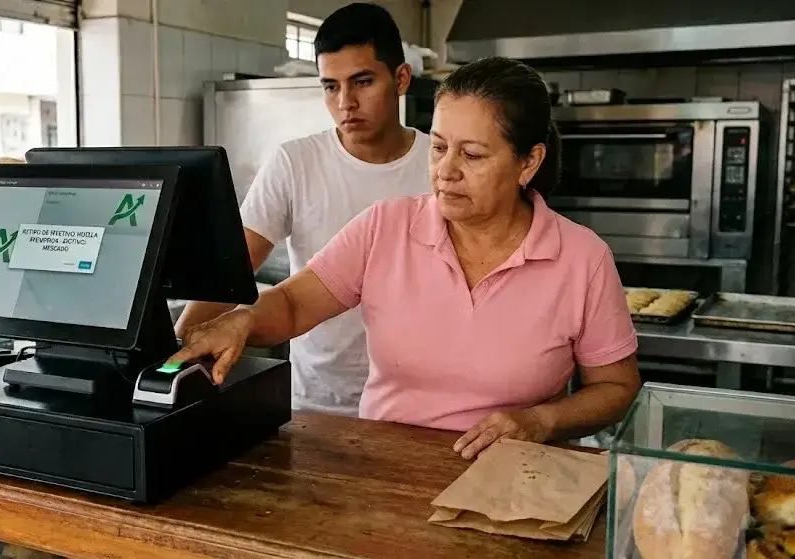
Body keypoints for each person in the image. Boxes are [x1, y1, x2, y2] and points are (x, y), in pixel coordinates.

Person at [169, 57, 642, 460]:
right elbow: (295, 304)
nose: (446, 172)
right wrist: (244, 320)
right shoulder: (386, 227)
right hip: (386, 473)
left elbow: (616, 389)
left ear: (528, 162)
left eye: (472, 155)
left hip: (517, 478)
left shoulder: (582, 258)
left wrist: (540, 421)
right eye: (438, 148)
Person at [174, 3, 431, 417]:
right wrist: (179, 341)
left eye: (362, 82)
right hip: (317, 401)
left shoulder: (439, 166)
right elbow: (232, 269)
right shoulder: (296, 162)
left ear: (400, 79)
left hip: (415, 406)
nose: (346, 102)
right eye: (331, 86)